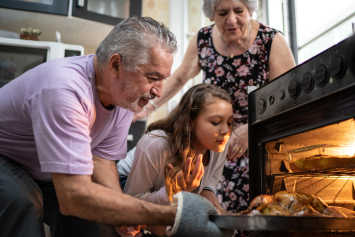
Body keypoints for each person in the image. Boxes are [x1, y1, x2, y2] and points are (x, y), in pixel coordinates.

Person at [0, 16, 232, 237]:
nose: (158, 91)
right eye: (152, 78)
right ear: (115, 64)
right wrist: (173, 214)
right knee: (24, 202)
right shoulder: (64, 91)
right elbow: (74, 195)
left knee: (101, 222)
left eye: (163, 79)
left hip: (45, 169)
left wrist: (121, 213)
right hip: (6, 158)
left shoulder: (122, 98)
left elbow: (101, 158)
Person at [133, 1, 296, 235]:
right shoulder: (203, 40)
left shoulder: (270, 40)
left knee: (260, 217)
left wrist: (251, 128)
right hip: (218, 145)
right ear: (211, 16)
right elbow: (179, 78)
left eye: (239, 11)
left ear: (250, 10)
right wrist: (147, 108)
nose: (231, 20)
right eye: (222, 13)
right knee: (215, 218)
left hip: (260, 140)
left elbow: (289, 95)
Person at [118, 84, 234, 235]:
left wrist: (207, 188)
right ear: (191, 122)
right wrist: (172, 192)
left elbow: (212, 177)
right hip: (126, 187)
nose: (226, 131)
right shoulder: (155, 144)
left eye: (230, 122)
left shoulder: (219, 146)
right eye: (216, 122)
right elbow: (132, 200)